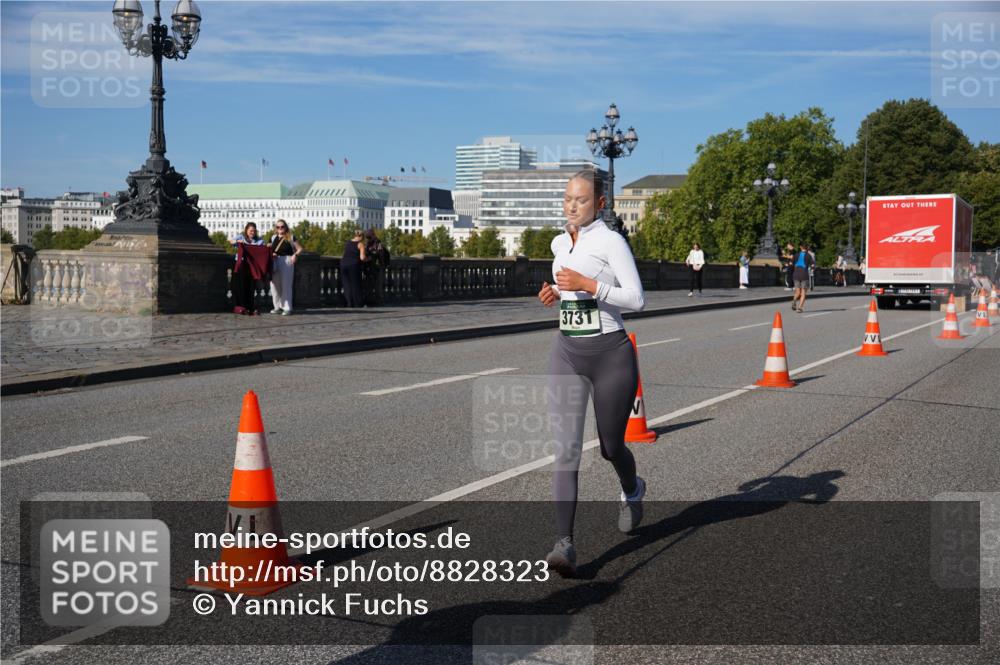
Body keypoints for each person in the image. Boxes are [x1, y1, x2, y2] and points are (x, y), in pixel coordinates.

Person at [536, 170, 647, 578]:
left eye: (580, 200)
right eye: (567, 198)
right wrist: (553, 294)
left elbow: (637, 299)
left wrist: (588, 284)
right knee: (566, 450)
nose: (571, 205)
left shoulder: (611, 241)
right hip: (567, 352)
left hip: (610, 355)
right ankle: (564, 543)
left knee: (610, 447)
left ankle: (633, 489)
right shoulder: (559, 242)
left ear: (599, 203)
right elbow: (569, 295)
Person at [230, 222, 268, 315]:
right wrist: (237, 242)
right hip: (241, 265)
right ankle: (240, 306)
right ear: (246, 231)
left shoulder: (259, 241)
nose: (252, 232)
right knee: (240, 286)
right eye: (251, 230)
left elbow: (263, 251)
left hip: (252, 266)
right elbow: (231, 241)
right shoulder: (241, 237)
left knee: (250, 286)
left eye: (254, 231)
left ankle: (249, 306)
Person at [269, 220, 302, 315]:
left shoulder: (291, 237)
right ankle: (277, 307)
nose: (280, 228)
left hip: (287, 261)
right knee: (274, 285)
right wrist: (271, 253)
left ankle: (287, 307)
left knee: (286, 285)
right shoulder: (273, 237)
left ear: (286, 227)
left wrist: (295, 255)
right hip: (275, 261)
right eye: (278, 227)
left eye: (282, 227)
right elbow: (268, 248)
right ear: (275, 228)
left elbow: (299, 249)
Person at [363, 229, 390, 306]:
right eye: (367, 237)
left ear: (373, 236)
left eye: (369, 237)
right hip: (370, 267)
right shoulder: (368, 244)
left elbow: (381, 256)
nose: (368, 239)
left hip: (377, 267)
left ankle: (378, 301)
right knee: (369, 285)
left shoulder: (378, 244)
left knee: (378, 285)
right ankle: (370, 301)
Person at [341, 229, 367, 308]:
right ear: (361, 236)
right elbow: (362, 258)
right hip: (353, 265)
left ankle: (348, 303)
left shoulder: (347, 242)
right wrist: (368, 258)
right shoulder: (360, 244)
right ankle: (357, 303)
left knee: (347, 284)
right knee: (355, 284)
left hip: (343, 264)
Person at [791, 242, 814, 312]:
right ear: (806, 248)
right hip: (804, 275)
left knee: (797, 292)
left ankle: (794, 301)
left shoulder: (796, 255)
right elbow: (812, 265)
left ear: (800, 247)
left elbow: (791, 263)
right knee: (803, 293)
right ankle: (799, 308)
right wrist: (812, 268)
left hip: (796, 275)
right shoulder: (808, 256)